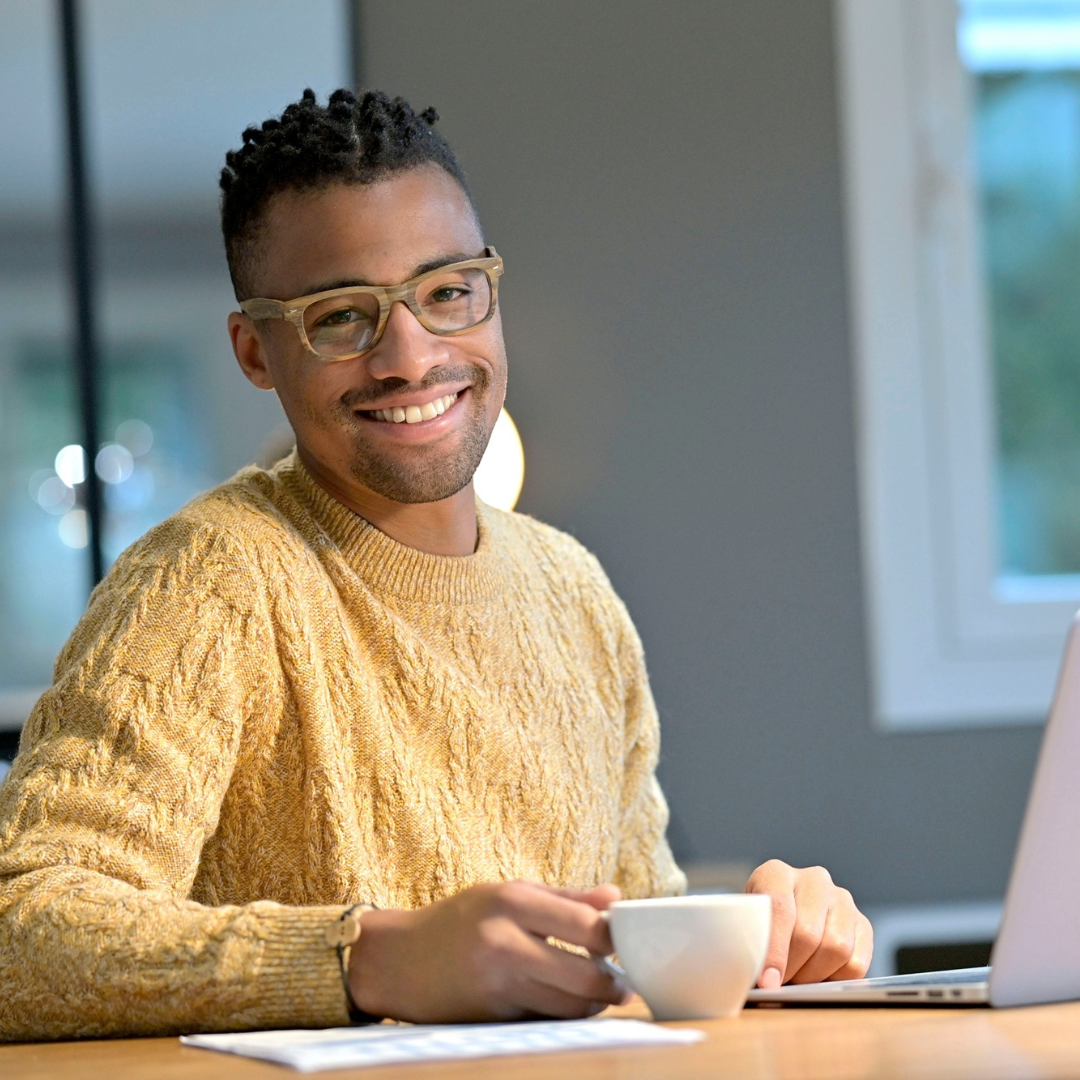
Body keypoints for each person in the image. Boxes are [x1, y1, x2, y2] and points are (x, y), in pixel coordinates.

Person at [0, 89, 872, 1041]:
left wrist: (768, 946)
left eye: (446, 292)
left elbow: (627, 952)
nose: (411, 356)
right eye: (340, 317)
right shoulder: (210, 582)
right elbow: (21, 937)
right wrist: (368, 958)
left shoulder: (576, 593)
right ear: (257, 351)